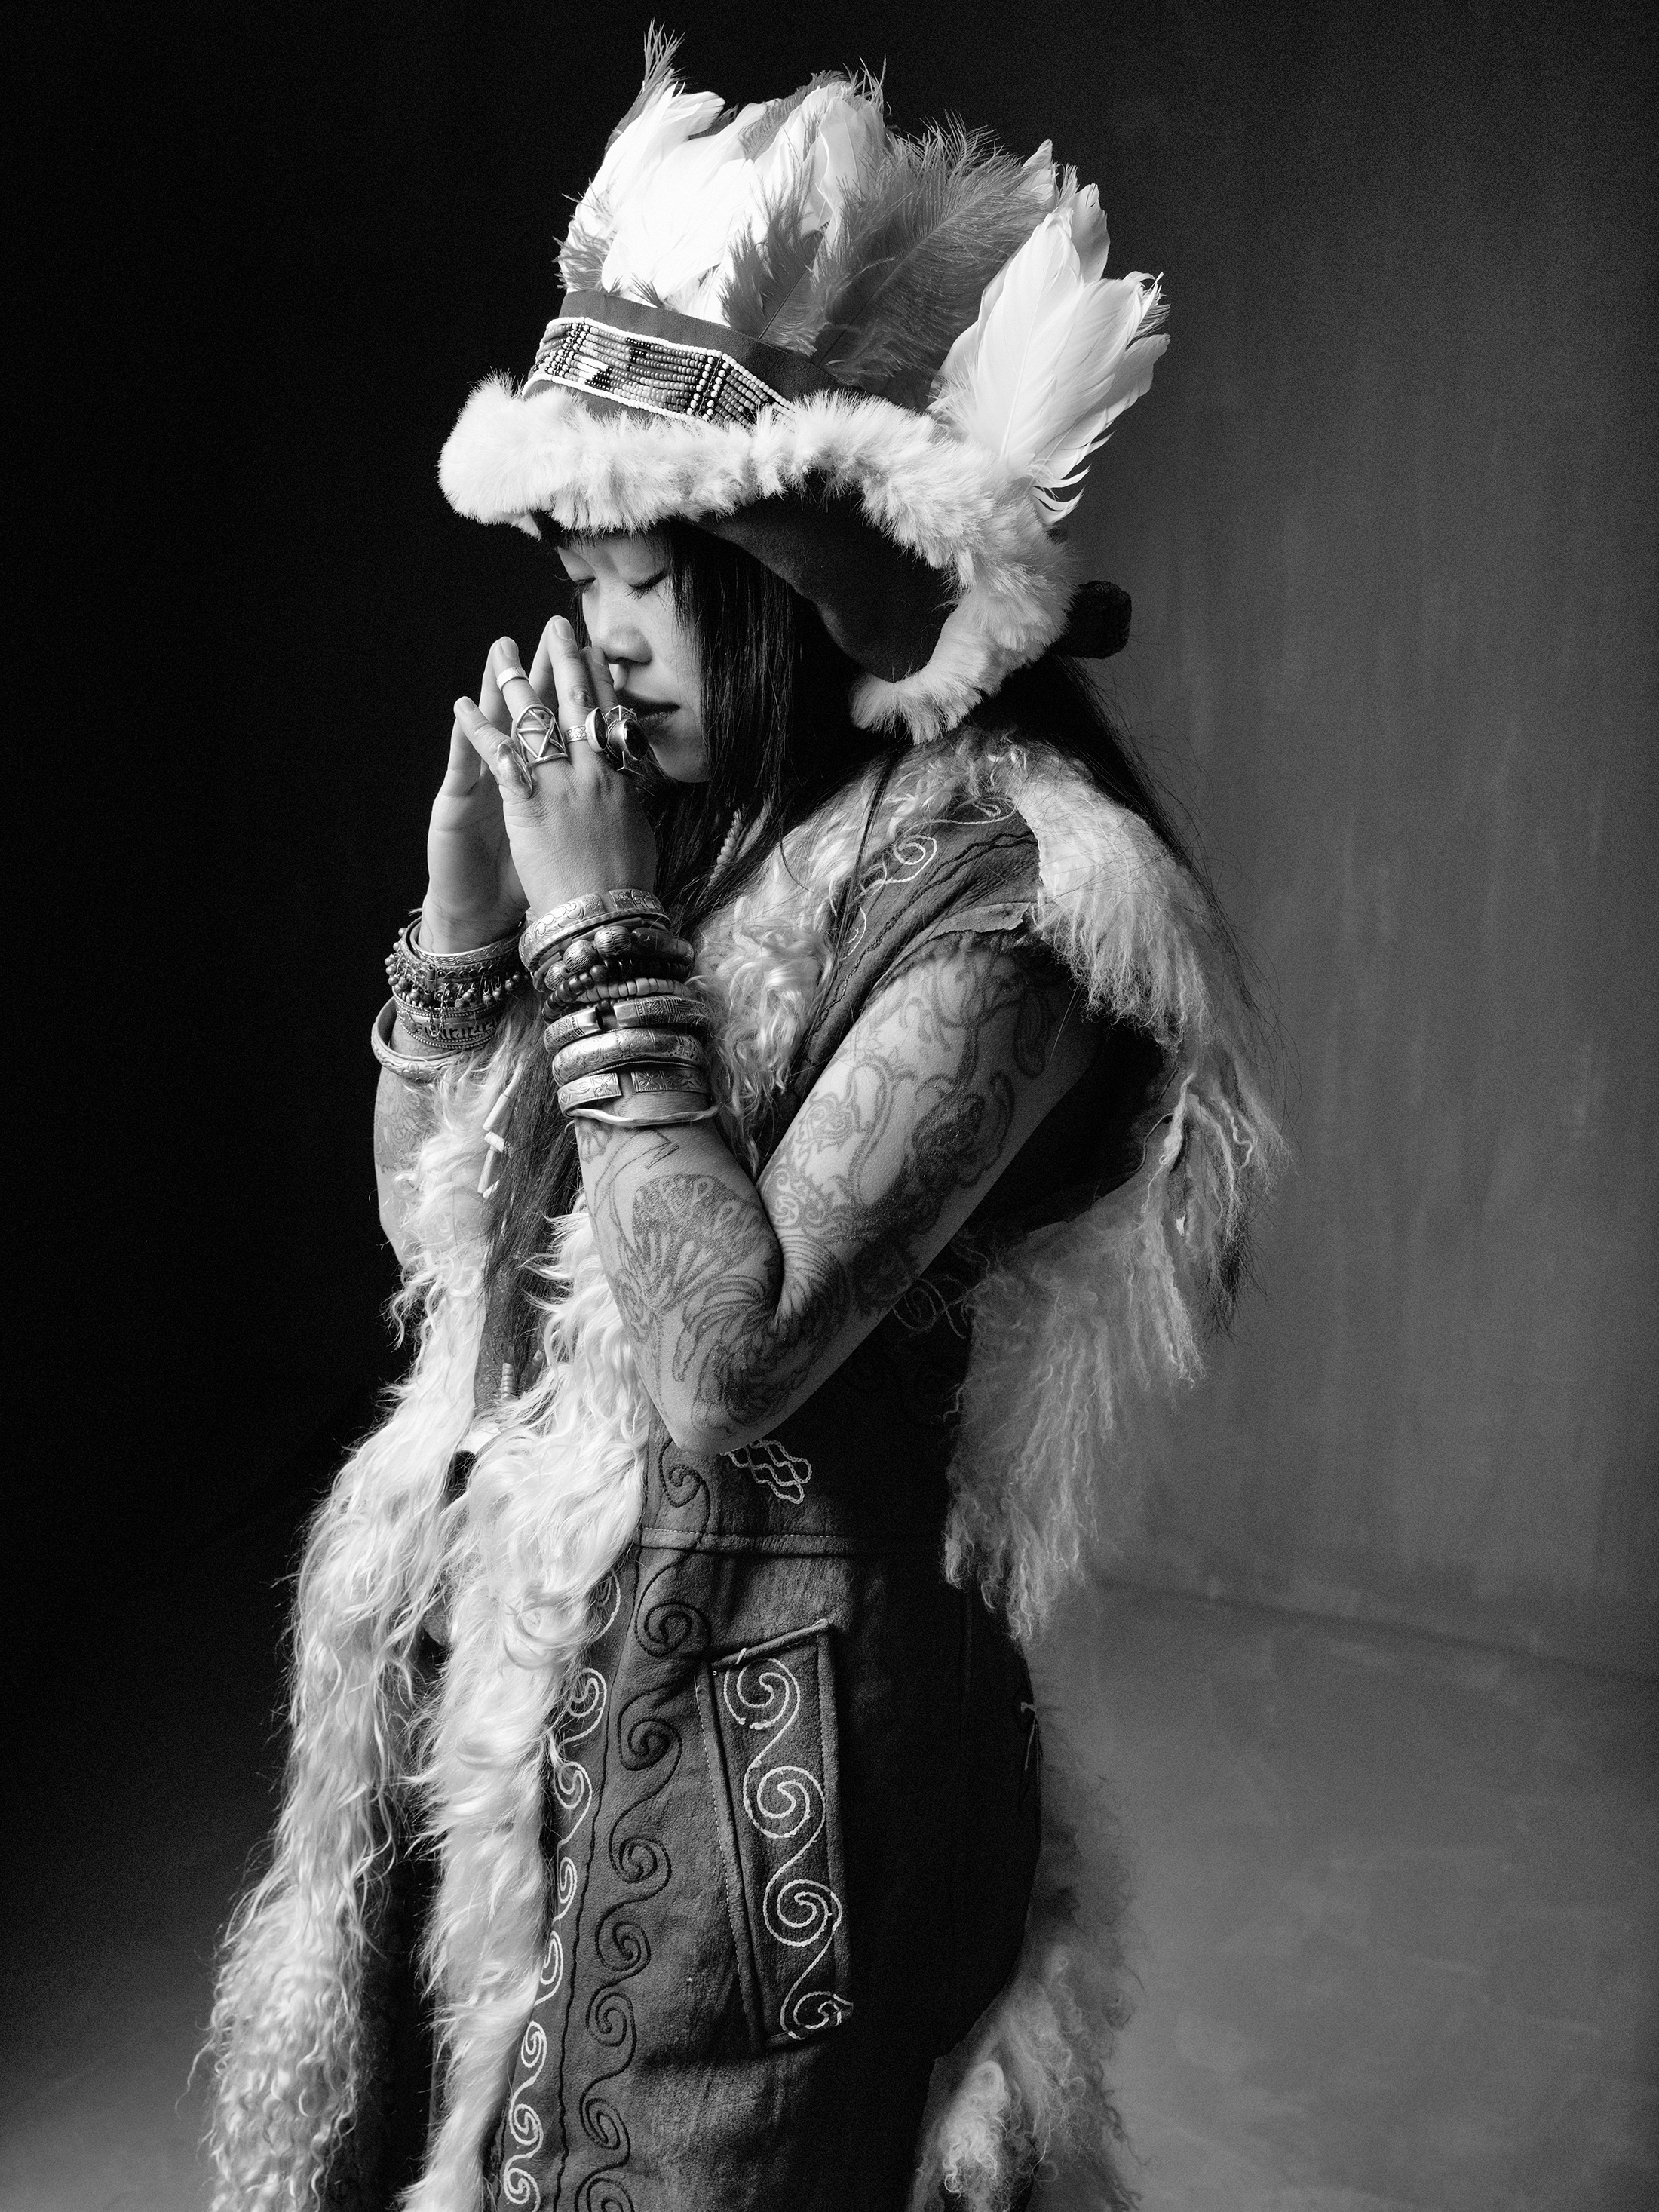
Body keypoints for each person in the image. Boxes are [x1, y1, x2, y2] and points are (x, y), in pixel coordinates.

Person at [208, 44, 1280, 2212]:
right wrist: (465, 926)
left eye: (646, 577)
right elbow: (443, 1243)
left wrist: (597, 932)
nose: (596, 640)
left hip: (766, 1798)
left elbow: (723, 1356)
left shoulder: (1013, 903)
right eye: (580, 574)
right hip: (521, 1720)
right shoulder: (693, 819)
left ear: (805, 571)